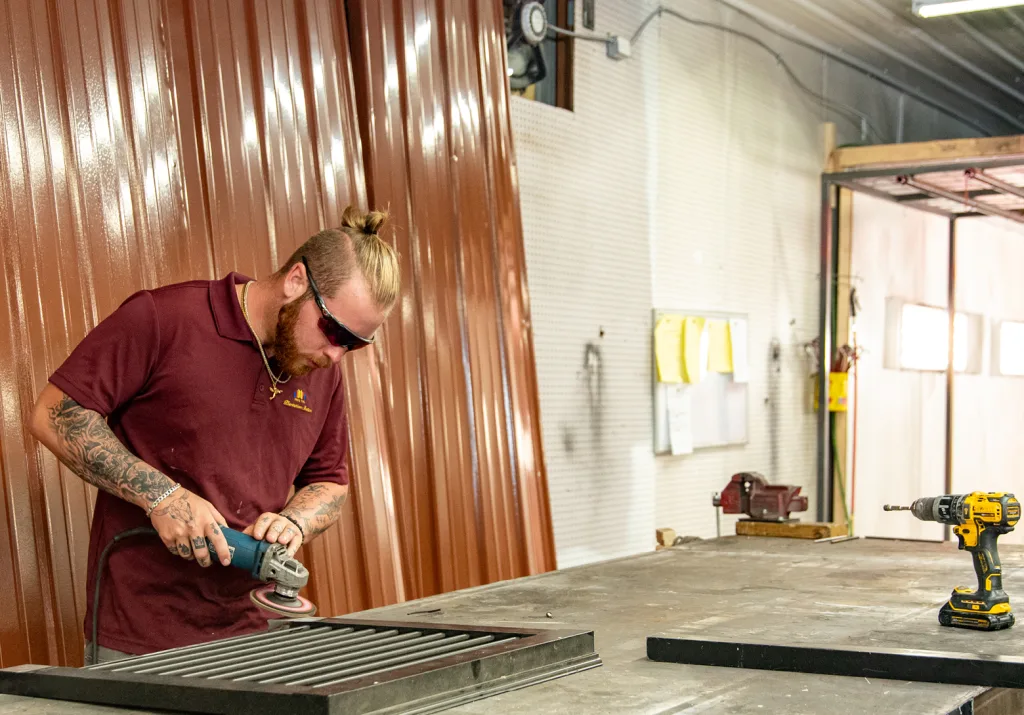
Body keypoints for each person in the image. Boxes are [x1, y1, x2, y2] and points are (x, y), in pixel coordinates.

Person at [28, 206, 400, 664]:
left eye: (355, 344)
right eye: (333, 330)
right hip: (143, 639)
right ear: (296, 280)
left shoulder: (321, 368)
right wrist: (162, 496)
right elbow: (56, 413)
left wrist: (296, 521)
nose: (337, 353)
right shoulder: (165, 319)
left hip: (259, 635)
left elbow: (329, 482)